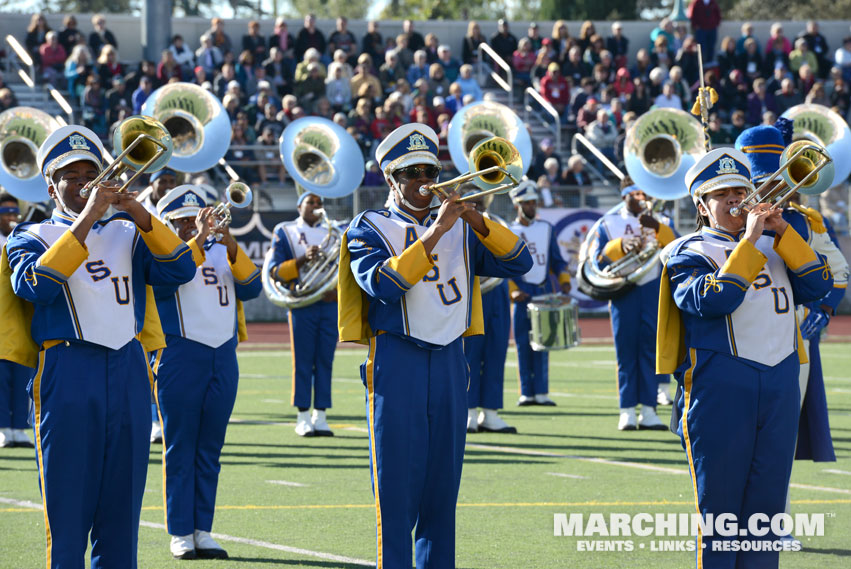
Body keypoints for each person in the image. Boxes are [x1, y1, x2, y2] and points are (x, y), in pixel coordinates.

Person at [0, 125, 195, 567]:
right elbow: (36, 286)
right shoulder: (29, 236)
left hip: (127, 367)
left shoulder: (130, 231)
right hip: (67, 369)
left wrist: (140, 213)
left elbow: (181, 269)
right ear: (51, 185)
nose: (87, 180)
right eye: (73, 175)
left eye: (93, 170)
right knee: (67, 511)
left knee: (122, 512)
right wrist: (88, 217)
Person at [338, 123, 532, 568]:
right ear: (391, 179)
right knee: (397, 493)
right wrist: (435, 233)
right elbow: (384, 285)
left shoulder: (462, 229)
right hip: (397, 360)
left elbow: (520, 261)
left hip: (449, 360)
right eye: (413, 172)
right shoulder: (367, 227)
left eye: (431, 169)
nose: (426, 180)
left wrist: (476, 218)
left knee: (442, 492)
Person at [657, 147, 833, 567]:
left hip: (779, 386)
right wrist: (752, 240)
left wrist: (782, 233)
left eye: (742, 190)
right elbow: (714, 301)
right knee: (720, 516)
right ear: (702, 205)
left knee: (766, 514)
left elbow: (818, 286)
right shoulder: (687, 250)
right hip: (719, 391)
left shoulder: (780, 243)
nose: (737, 200)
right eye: (723, 195)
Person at [734, 124, 848, 512]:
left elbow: (838, 271)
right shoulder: (725, 224)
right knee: (732, 438)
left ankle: (773, 517)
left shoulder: (802, 220)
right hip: (735, 338)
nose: (772, 193)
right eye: (759, 184)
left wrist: (823, 308)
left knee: (779, 437)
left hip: (789, 339)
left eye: (776, 183)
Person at [153, 185, 261, 559]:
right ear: (167, 222)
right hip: (180, 353)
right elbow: (171, 279)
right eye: (182, 221)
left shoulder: (222, 251)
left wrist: (228, 242)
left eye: (196, 218)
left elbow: (252, 287)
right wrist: (197, 239)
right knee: (181, 446)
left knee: (210, 448)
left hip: (222, 355)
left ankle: (203, 529)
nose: (191, 225)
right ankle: (180, 530)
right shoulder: (162, 255)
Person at [587, 178, 677, 430]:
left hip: (651, 290)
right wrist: (619, 246)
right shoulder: (608, 223)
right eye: (634, 194)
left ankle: (649, 410)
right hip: (622, 290)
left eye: (643, 194)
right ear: (624, 195)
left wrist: (657, 228)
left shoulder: (663, 222)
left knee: (650, 350)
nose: (640, 199)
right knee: (626, 352)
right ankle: (626, 410)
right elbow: (596, 260)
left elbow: (678, 250)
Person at [269, 192, 339, 437]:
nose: (316, 207)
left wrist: (337, 292)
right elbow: (275, 272)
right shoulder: (285, 230)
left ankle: (321, 415)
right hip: (302, 304)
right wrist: (301, 260)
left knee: (325, 361)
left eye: (320, 203)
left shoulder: (335, 232)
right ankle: (302, 415)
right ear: (299, 206)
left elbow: (345, 270)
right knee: (303, 361)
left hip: (330, 304)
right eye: (311, 202)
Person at [507, 180, 571, 406]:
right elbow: (502, 266)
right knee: (523, 343)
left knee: (544, 341)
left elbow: (557, 260)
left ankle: (542, 391)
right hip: (522, 291)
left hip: (543, 290)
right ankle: (526, 392)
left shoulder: (546, 228)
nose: (533, 206)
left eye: (534, 202)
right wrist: (513, 290)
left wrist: (564, 281)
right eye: (528, 203)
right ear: (518, 205)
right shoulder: (508, 230)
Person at [460, 186, 516, 434]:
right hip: (469, 297)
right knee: (470, 355)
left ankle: (490, 413)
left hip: (497, 296)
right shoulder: (456, 227)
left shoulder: (496, 224)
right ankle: (469, 411)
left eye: (481, 199)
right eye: (472, 200)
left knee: (496, 353)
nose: (479, 203)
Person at [0, 192, 33, 448]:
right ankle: (3, 428)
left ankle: (20, 428)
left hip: (18, 318)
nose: (11, 217)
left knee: (21, 374)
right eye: (5, 213)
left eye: (14, 213)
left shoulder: (20, 240)